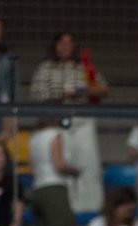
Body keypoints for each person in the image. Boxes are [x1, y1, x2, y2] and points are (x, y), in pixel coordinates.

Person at [29, 33, 107, 214]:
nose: (65, 47)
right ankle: (67, 209)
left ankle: (91, 208)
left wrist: (88, 90)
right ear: (55, 46)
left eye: (69, 43)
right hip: (57, 122)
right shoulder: (46, 68)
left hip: (83, 120)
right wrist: (63, 96)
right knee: (65, 165)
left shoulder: (82, 67)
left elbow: (103, 89)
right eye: (61, 43)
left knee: (89, 165)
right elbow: (37, 94)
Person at [28, 118, 81, 226]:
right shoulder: (55, 134)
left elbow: (31, 167)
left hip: (38, 189)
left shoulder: (34, 137)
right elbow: (59, 164)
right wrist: (76, 171)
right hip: (55, 188)